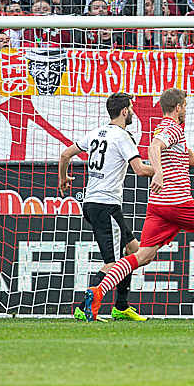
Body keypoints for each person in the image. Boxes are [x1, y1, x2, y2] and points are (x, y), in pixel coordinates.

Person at [83, 88, 194, 320]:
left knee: (143, 256)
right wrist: (159, 174)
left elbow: (190, 159)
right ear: (178, 108)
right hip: (177, 202)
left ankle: (98, 290)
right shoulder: (171, 129)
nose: (186, 111)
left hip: (158, 206)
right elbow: (153, 148)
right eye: (186, 107)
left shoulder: (167, 128)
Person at [59, 93, 153, 322]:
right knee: (112, 263)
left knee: (133, 252)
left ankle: (121, 307)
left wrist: (63, 178)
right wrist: (166, 171)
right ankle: (84, 307)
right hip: (105, 205)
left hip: (95, 203)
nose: (133, 112)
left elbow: (65, 154)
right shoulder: (122, 136)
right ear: (124, 111)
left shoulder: (96, 133)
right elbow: (140, 170)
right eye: (131, 108)